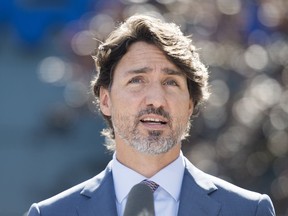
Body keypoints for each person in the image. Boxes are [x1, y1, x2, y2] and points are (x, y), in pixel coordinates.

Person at [27, 14, 275, 216]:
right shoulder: (51, 213)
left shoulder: (249, 210)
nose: (156, 99)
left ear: (190, 104)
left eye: (171, 83)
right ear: (105, 100)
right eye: (137, 80)